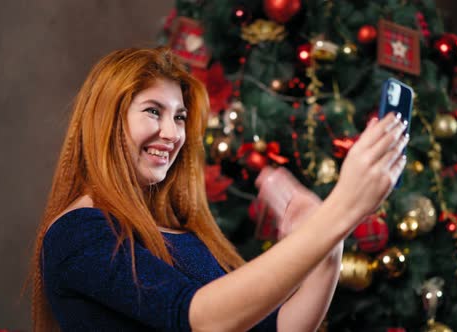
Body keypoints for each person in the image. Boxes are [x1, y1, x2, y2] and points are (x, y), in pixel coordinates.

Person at [29, 46, 409, 331]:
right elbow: (200, 319)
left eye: (178, 117)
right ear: (105, 121)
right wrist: (338, 210)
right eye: (152, 111)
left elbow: (277, 329)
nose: (172, 133)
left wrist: (329, 240)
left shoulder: (181, 234)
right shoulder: (78, 232)